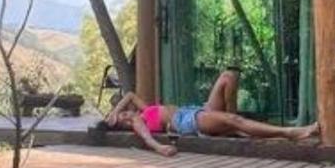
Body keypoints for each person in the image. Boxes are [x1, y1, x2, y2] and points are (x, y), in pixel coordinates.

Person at [100, 69, 319, 157]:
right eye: (121, 118)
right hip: (186, 122)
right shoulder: (138, 121)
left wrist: (114, 111)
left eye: (124, 113)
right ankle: (291, 132)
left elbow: (128, 94)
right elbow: (147, 138)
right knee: (235, 120)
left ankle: (234, 127)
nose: (126, 114)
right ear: (123, 124)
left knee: (228, 77)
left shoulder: (144, 110)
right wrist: (160, 148)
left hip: (194, 110)